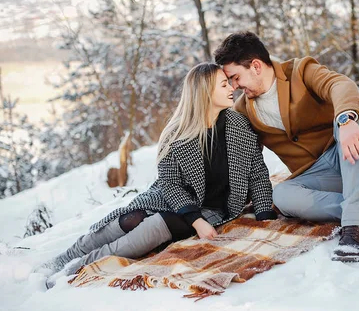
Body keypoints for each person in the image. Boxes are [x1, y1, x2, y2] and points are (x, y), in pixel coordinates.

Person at [39, 63, 277, 287]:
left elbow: (257, 173)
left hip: (212, 207)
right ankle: (65, 257)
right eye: (224, 84)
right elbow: (170, 184)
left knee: (153, 226)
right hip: (170, 196)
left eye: (229, 82)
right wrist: (196, 221)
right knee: (132, 217)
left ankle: (78, 267)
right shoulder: (177, 132)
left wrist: (264, 214)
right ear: (204, 92)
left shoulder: (239, 126)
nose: (232, 88)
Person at [214, 32, 359, 263]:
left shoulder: (299, 71)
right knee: (282, 195)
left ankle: (356, 230)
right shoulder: (244, 110)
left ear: (255, 66)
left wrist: (346, 120)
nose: (234, 86)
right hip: (323, 177)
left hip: (357, 157)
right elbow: (242, 160)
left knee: (352, 119)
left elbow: (339, 85)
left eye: (235, 77)